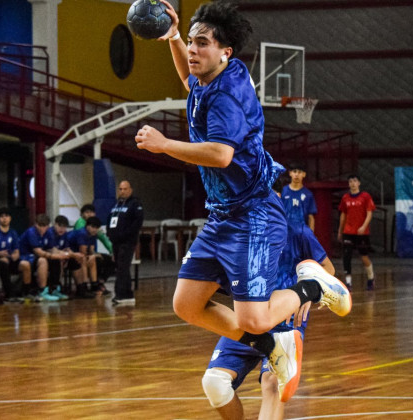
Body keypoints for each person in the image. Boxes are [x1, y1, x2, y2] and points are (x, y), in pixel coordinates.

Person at [136, 0, 352, 401]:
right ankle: (269, 346)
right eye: (193, 42)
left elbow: (220, 154)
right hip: (222, 215)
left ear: (225, 51)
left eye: (202, 43)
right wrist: (173, 38)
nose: (194, 50)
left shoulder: (227, 96)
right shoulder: (209, 76)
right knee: (186, 305)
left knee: (253, 316)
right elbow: (188, 76)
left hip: (254, 214)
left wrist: (165, 145)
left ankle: (313, 290)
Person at [202, 222, 334, 419]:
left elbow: (327, 268)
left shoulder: (296, 230)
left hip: (285, 320)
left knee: (272, 384)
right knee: (215, 382)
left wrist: (307, 292)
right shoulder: (238, 231)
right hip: (248, 317)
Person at [106, 180, 143, 305]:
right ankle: (127, 294)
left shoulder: (135, 204)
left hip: (127, 242)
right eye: (120, 189)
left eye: (125, 189)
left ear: (130, 190)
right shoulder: (117, 205)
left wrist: (124, 235)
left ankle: (121, 294)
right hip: (116, 242)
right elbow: (110, 220)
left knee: (123, 266)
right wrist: (110, 234)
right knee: (120, 267)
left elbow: (137, 223)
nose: (122, 191)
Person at [337, 175, 376, 290]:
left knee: (364, 256)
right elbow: (343, 215)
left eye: (355, 181)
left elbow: (369, 213)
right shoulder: (345, 198)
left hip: (361, 233)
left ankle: (371, 277)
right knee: (347, 256)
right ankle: (348, 282)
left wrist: (364, 226)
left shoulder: (365, 196)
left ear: (359, 183)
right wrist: (340, 230)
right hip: (348, 231)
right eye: (350, 181)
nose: (353, 183)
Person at [0, 208, 32, 302]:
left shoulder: (13, 232)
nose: (4, 219)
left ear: (10, 218)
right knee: (4, 262)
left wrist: (15, 255)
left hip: (10, 259)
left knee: (26, 265)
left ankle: (26, 293)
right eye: (2, 217)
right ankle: (9, 293)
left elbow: (16, 250)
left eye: (6, 216)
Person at [18, 214, 61, 302]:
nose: (42, 228)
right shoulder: (31, 232)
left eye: (45, 226)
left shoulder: (49, 232)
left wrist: (65, 254)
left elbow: (52, 248)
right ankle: (42, 291)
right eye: (40, 225)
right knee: (43, 260)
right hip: (26, 257)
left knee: (57, 260)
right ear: (35, 224)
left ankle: (54, 288)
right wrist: (53, 255)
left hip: (36, 257)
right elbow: (38, 252)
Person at [68, 216, 103, 299]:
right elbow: (82, 252)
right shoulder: (82, 233)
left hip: (77, 254)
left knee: (93, 258)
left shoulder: (93, 234)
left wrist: (93, 255)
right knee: (83, 259)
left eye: (97, 228)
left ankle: (94, 285)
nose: (95, 229)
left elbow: (91, 250)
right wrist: (91, 255)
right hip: (68, 253)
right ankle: (83, 287)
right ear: (87, 226)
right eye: (93, 227)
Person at [280, 162, 316, 232]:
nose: (296, 174)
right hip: (285, 231)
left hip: (302, 232)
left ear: (304, 174)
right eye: (294, 171)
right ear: (290, 173)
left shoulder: (308, 194)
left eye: (299, 172)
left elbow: (311, 217)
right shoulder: (282, 192)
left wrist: (311, 235)